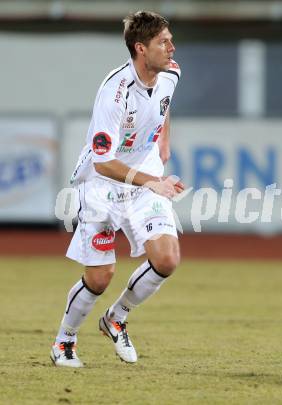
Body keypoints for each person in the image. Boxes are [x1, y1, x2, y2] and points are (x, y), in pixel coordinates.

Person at [50, 11, 184, 367]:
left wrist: (164, 140)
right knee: (100, 276)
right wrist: (153, 182)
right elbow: (103, 162)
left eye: (170, 38)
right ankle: (65, 341)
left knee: (167, 259)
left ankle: (116, 317)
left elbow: (164, 103)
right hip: (102, 184)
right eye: (163, 42)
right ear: (141, 48)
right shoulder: (115, 93)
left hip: (143, 179)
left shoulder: (171, 71)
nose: (172, 47)